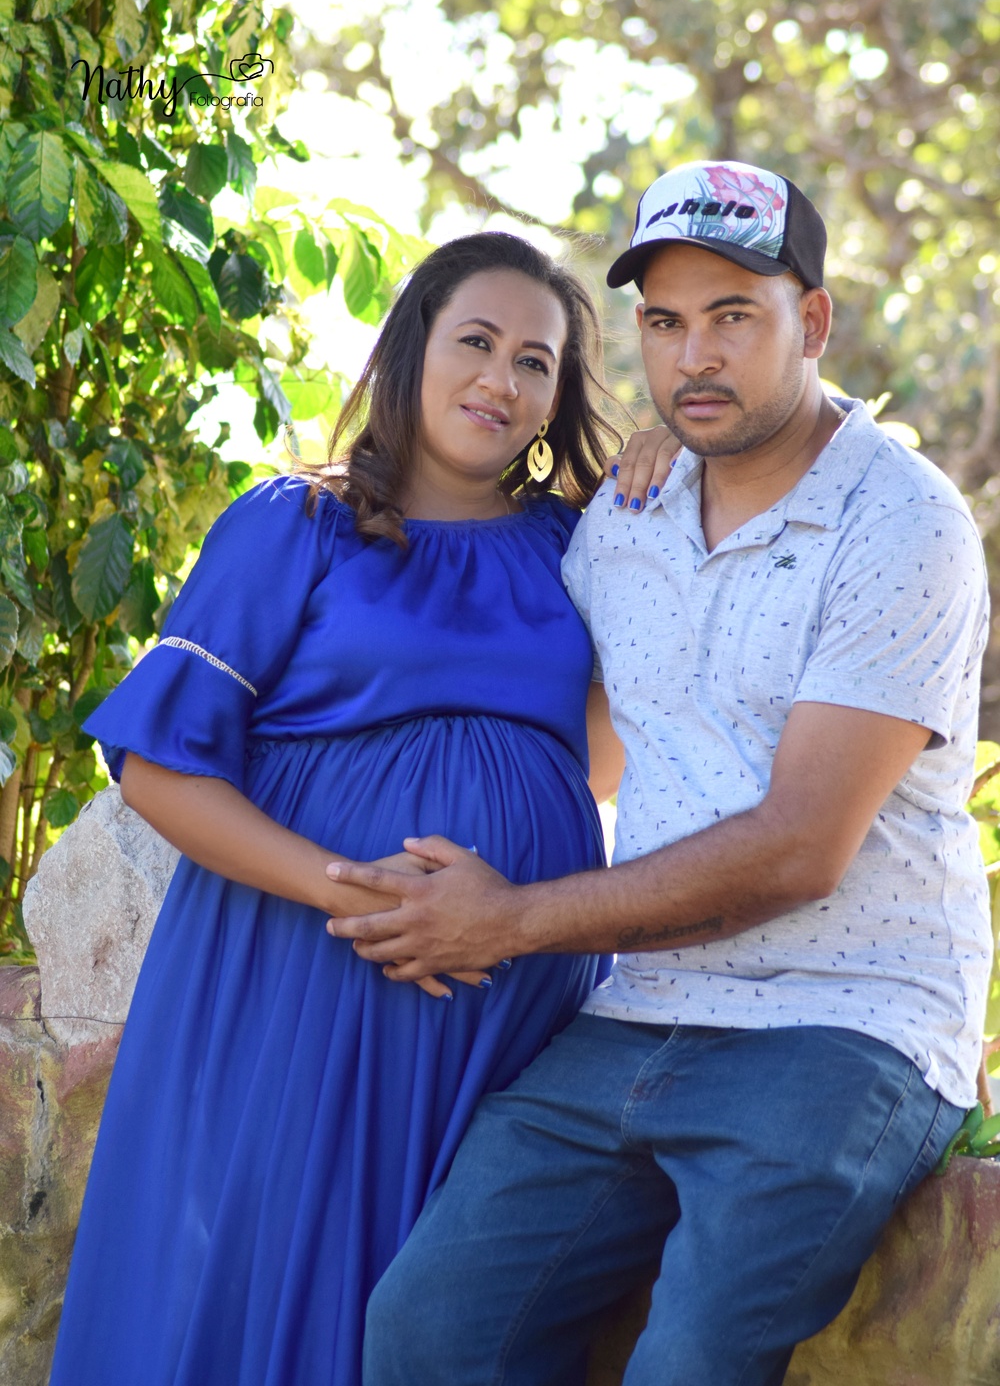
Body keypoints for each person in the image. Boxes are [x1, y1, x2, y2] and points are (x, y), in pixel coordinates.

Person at [330, 161, 994, 1386]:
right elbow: (562, 729)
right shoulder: (627, 516)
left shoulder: (902, 524)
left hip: (844, 1019)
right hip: (638, 1004)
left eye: (733, 316)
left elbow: (799, 846)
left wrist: (509, 918)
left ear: (813, 321)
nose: (694, 356)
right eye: (663, 321)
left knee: (685, 1363)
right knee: (426, 1330)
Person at [48, 231, 632, 1386]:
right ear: (413, 345)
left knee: (458, 1317)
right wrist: (347, 886)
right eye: (476, 341)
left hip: (508, 1004)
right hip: (302, 970)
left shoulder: (582, 546)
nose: (501, 379)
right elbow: (157, 765)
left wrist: (654, 501)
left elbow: (601, 767)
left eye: (535, 361)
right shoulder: (295, 522)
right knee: (271, 1281)